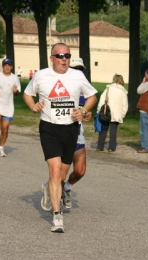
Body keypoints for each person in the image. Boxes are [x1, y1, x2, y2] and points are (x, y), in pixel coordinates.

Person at [23, 43, 97, 233]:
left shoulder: (78, 76)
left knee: (62, 176)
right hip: (49, 128)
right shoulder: (42, 75)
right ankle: (57, 216)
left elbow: (92, 97)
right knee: (55, 171)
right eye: (60, 55)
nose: (64, 59)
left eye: (67, 56)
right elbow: (27, 94)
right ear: (52, 58)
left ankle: (50, 188)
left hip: (71, 128)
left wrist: (83, 110)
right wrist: (33, 106)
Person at [61, 57, 92, 210]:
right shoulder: (62, 88)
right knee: (59, 174)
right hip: (62, 133)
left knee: (80, 171)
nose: (78, 72)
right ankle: (53, 194)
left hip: (78, 134)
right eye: (75, 69)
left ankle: (67, 187)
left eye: (81, 69)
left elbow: (86, 111)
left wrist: (86, 114)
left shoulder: (85, 93)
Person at [96, 74, 128, 152]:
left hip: (106, 112)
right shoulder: (123, 92)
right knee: (113, 131)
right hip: (117, 114)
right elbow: (125, 105)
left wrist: (98, 111)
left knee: (103, 130)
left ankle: (100, 146)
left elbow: (102, 101)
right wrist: (122, 114)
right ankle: (111, 147)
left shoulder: (108, 89)